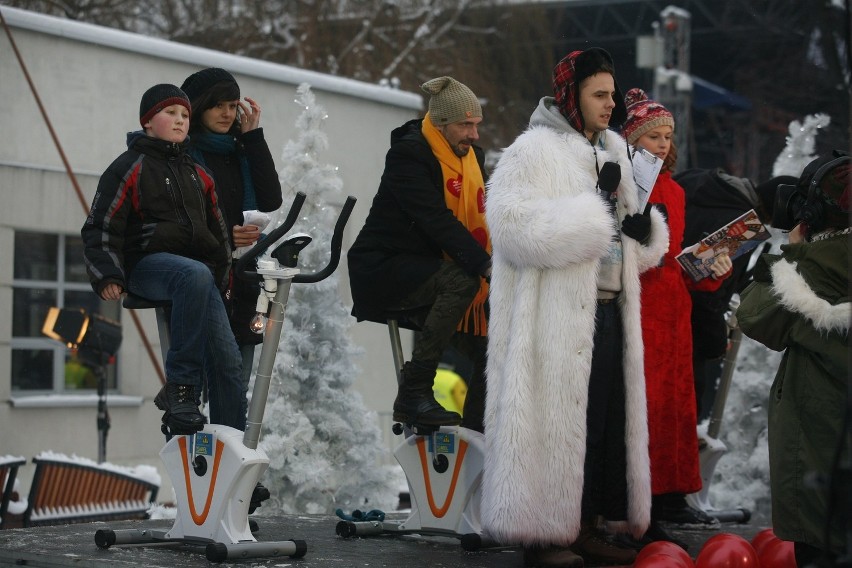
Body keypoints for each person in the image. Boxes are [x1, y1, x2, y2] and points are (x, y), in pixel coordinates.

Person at [482, 48, 669, 567]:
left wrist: (643, 233)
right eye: (599, 95)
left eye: (613, 94)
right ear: (573, 95)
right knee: (556, 424)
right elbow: (512, 227)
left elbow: (632, 238)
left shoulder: (612, 146)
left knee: (601, 425)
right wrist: (594, 215)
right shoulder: (532, 150)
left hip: (609, 306)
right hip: (554, 318)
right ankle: (542, 536)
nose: (611, 104)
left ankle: (587, 524)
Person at [81, 84, 244, 435]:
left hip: (196, 276)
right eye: (170, 113)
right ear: (147, 122)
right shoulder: (129, 167)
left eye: (185, 115)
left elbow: (218, 237)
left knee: (229, 363)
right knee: (193, 273)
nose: (180, 120)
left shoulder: (198, 174)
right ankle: (182, 388)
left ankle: (235, 454)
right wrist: (108, 274)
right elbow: (100, 226)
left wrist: (223, 281)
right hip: (146, 265)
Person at [347, 76, 491, 432]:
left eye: (476, 125)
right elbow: (434, 220)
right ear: (440, 124)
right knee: (462, 280)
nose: (473, 135)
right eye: (465, 125)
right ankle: (414, 393)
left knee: (493, 351)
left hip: (430, 270)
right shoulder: (408, 154)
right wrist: (487, 264)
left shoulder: (473, 158)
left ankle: (478, 435)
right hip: (383, 269)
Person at [621, 89, 732, 535]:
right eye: (654, 137)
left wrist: (714, 266)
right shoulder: (625, 184)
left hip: (673, 309)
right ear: (634, 141)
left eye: (668, 136)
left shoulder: (677, 191)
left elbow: (678, 262)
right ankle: (643, 500)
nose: (663, 144)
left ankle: (670, 496)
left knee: (675, 408)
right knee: (645, 406)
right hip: (642, 304)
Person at [737, 153, 850, 568]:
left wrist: (788, 254)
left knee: (821, 545)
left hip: (821, 444)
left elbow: (753, 316)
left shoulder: (812, 264)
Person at [179, 67, 283, 421]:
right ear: (198, 108)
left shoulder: (241, 148)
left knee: (240, 371)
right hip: (208, 274)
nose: (226, 114)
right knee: (219, 370)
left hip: (245, 273)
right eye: (217, 105)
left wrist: (254, 138)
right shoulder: (184, 154)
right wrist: (224, 234)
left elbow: (270, 199)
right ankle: (220, 450)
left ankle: (234, 449)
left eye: (232, 105)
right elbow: (185, 213)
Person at [673, 168, 797, 422]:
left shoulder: (703, 183)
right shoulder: (742, 228)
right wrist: (716, 341)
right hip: (684, 329)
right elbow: (708, 292)